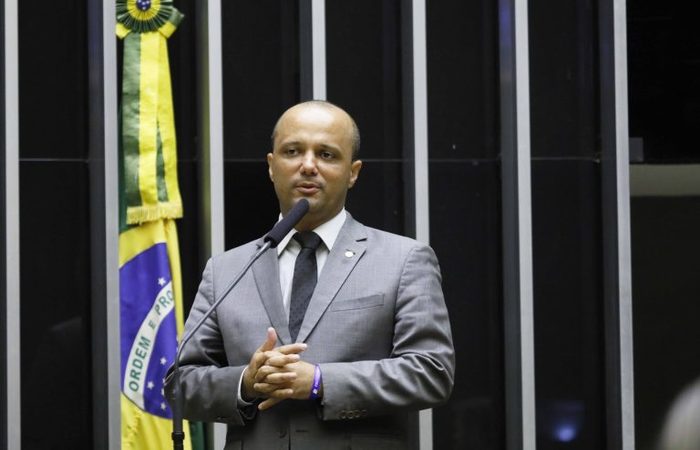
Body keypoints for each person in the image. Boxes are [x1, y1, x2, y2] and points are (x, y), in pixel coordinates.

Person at [166, 100, 455, 449]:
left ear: (354, 171)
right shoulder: (228, 269)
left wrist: (319, 381)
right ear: (272, 167)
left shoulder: (404, 259)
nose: (308, 166)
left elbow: (431, 372)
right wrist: (246, 382)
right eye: (292, 151)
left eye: (327, 155)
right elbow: (180, 383)